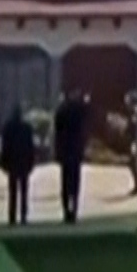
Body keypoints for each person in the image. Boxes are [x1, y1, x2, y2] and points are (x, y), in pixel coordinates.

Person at [52, 89, 87, 224]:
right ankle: (74, 210)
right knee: (75, 182)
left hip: (65, 152)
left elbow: (57, 134)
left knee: (65, 183)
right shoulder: (78, 111)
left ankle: (66, 210)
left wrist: (57, 152)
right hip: (75, 151)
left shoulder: (61, 111)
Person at [0, 105, 36, 226]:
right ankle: (23, 215)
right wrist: (31, 162)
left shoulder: (8, 128)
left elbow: (5, 147)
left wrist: (4, 162)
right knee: (24, 190)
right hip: (23, 162)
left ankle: (12, 215)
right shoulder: (27, 128)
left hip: (12, 162)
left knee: (13, 191)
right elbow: (30, 147)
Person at [123, 91, 137, 197]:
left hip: (134, 140)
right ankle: (136, 186)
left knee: (133, 162)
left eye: (128, 100)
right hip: (132, 140)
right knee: (131, 163)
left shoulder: (134, 111)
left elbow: (134, 125)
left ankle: (136, 186)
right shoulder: (133, 111)